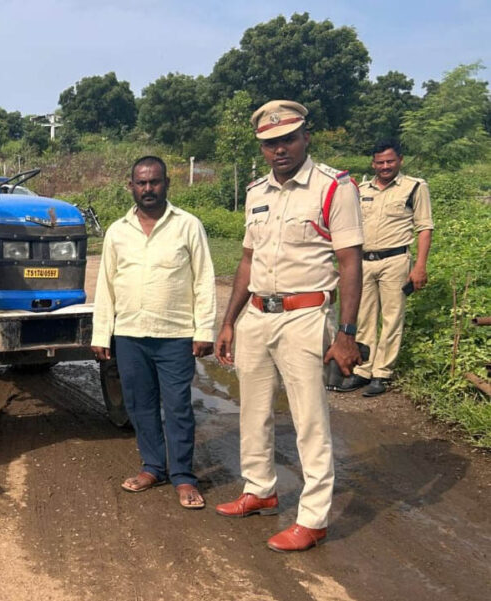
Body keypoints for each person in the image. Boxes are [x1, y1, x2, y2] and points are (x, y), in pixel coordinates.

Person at [213, 100, 363, 552]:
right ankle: (259, 489)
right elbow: (246, 259)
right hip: (257, 314)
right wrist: (229, 321)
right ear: (261, 147)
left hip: (305, 315)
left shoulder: (334, 188)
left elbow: (349, 262)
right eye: (269, 143)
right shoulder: (257, 192)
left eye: (288, 139)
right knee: (252, 410)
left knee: (308, 420)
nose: (279, 150)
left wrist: (347, 333)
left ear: (305, 137)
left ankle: (313, 517)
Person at [91, 156, 216, 510]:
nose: (148, 189)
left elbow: (205, 280)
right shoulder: (118, 231)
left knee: (177, 407)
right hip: (130, 334)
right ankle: (152, 467)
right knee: (140, 406)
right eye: (141, 183)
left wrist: (203, 329)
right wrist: (102, 334)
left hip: (175, 334)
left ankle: (183, 476)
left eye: (155, 182)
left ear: (166, 184)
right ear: (131, 186)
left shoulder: (188, 226)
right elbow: (106, 286)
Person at [335, 140, 434, 397]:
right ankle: (363, 370)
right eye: (380, 162)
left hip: (396, 261)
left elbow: (424, 227)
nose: (385, 166)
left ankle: (382, 373)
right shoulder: (362, 189)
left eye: (390, 161)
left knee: (392, 318)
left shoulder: (415, 187)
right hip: (364, 261)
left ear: (400, 160)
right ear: (373, 163)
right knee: (363, 317)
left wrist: (420, 266)